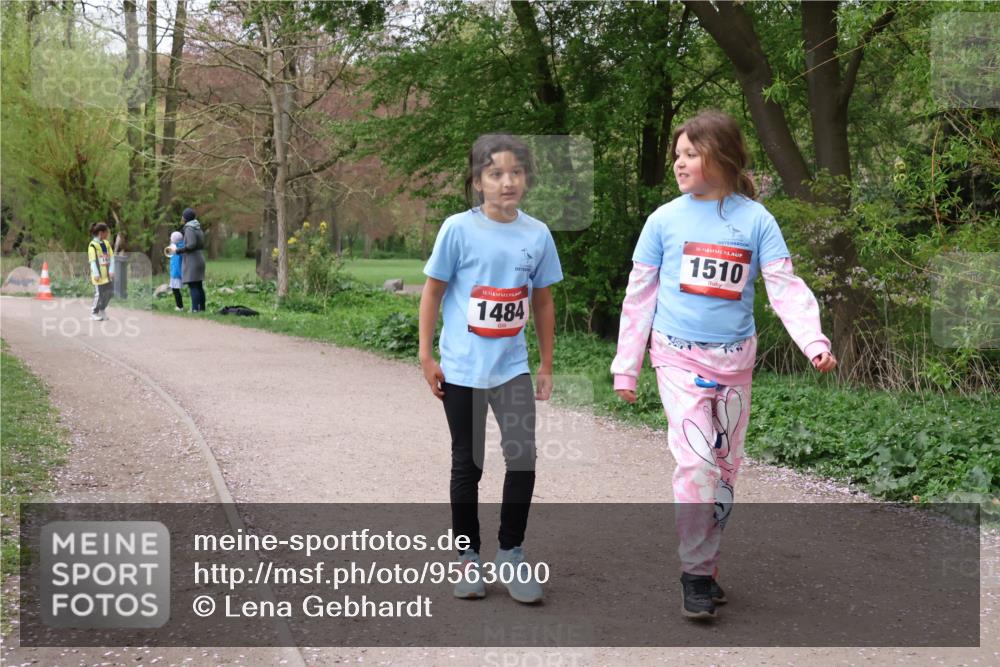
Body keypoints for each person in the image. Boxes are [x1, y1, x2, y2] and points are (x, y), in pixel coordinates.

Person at [611, 110, 838, 620]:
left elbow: (783, 285)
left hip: (735, 364)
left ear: (721, 155)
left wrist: (812, 341)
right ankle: (694, 575)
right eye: (677, 155)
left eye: (690, 154)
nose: (679, 164)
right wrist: (627, 367)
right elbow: (639, 296)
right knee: (696, 464)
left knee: (727, 472)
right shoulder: (663, 221)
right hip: (676, 357)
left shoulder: (756, 220)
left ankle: (706, 565)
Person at [419, 134, 562, 604]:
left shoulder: (537, 234)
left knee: (523, 458)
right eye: (496, 173)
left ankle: (511, 554)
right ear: (477, 181)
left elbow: (541, 300)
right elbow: (433, 292)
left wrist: (545, 363)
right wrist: (426, 355)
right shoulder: (457, 229)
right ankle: (468, 561)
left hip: (513, 367)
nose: (507, 182)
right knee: (470, 464)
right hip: (462, 368)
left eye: (516, 172)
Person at [173, 208, 206, 312]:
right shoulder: (197, 227)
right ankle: (202, 309)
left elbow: (191, 245)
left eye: (183, 216)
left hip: (192, 259)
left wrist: (179, 250)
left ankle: (195, 309)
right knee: (199, 285)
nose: (181, 218)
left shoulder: (189, 228)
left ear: (186, 218)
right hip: (200, 257)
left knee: (193, 285)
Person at [87, 222, 115, 321]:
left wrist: (111, 270)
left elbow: (111, 257)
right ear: (101, 233)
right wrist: (96, 273)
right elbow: (93, 261)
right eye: (106, 232)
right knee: (99, 294)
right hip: (98, 276)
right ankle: (94, 312)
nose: (107, 234)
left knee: (110, 293)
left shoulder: (106, 244)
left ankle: (102, 309)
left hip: (107, 275)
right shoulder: (92, 246)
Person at [169, 230, 185, 311]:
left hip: (176, 272)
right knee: (176, 289)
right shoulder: (182, 246)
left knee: (175, 289)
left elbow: (176, 262)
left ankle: (180, 306)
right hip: (178, 271)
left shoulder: (176, 248)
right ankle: (180, 306)